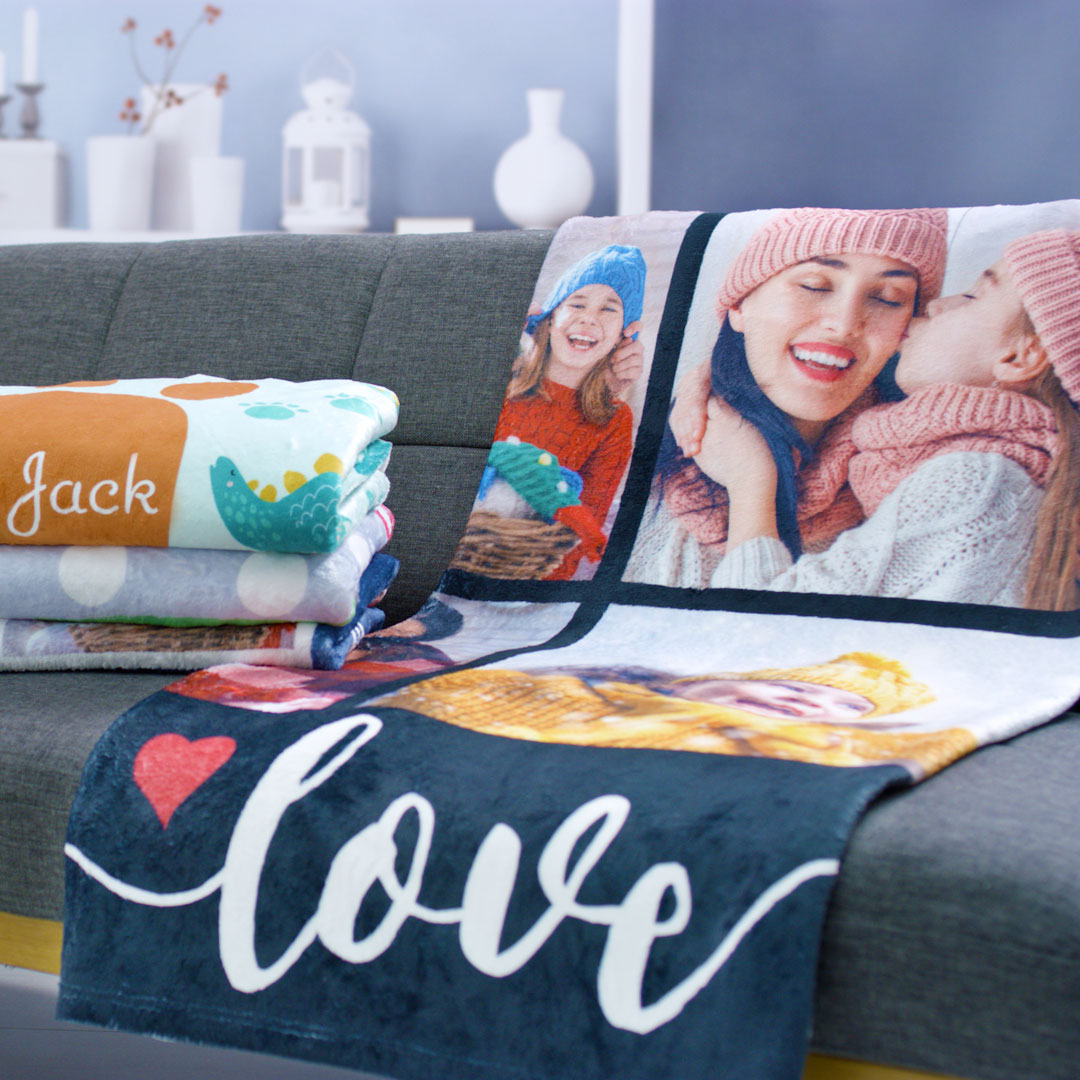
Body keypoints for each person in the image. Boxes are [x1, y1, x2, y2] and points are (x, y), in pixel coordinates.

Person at [703, 228, 1080, 610]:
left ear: (1019, 358)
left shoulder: (975, 483)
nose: (933, 308)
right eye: (816, 286)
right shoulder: (921, 458)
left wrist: (751, 483)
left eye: (971, 296)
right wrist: (711, 378)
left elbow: (757, 629)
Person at [625, 207, 948, 587]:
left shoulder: (923, 491)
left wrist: (752, 487)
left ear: (908, 328)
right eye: (814, 285)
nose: (845, 324)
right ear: (739, 306)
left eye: (888, 298)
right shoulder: (626, 459)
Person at [374, 652, 976, 774]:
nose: (810, 702)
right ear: (696, 681)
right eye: (806, 687)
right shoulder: (561, 694)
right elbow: (423, 705)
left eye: (846, 709)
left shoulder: (809, 751)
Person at [476, 243, 647, 579]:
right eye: (577, 303)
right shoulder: (501, 378)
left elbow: (584, 527)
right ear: (551, 317)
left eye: (609, 310)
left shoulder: (614, 419)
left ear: (624, 335)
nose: (588, 318)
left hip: (528, 569)